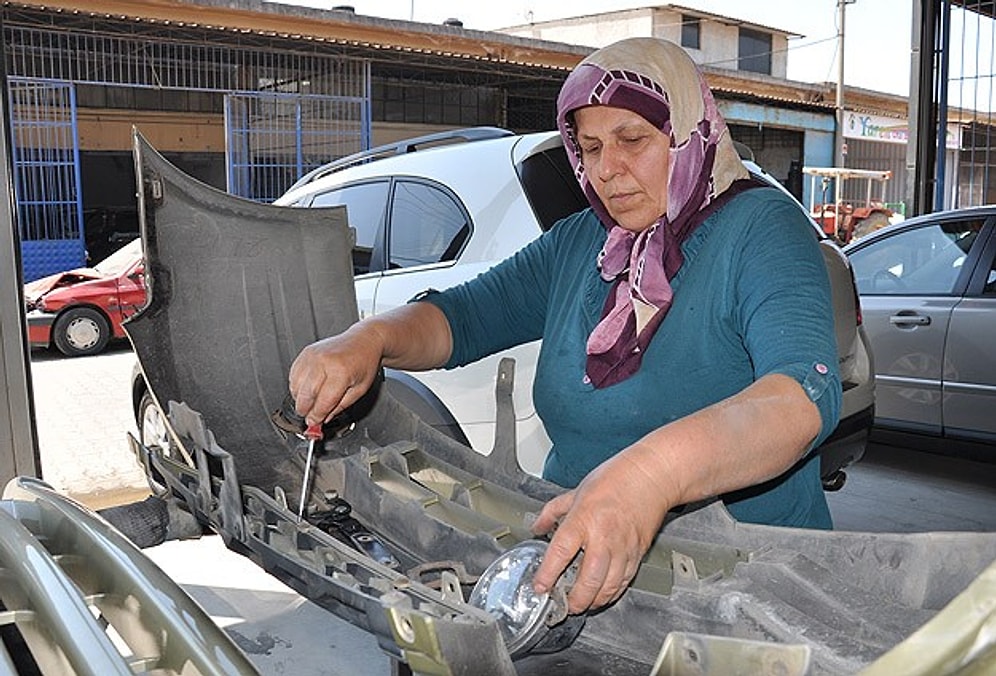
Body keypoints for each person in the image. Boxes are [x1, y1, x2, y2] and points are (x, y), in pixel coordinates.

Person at [289, 37, 841, 617]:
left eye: (632, 140)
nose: (607, 170)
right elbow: (460, 318)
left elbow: (801, 395)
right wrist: (368, 338)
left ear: (688, 130)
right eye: (591, 147)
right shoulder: (584, 243)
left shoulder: (760, 227)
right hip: (579, 565)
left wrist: (651, 475)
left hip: (744, 590)